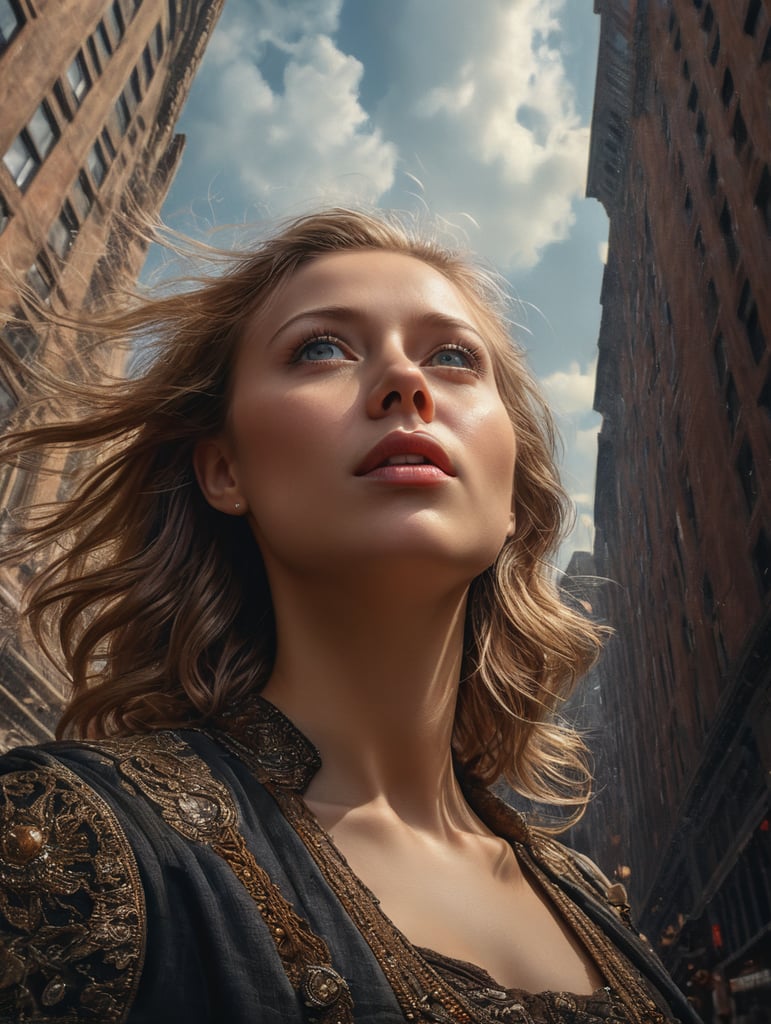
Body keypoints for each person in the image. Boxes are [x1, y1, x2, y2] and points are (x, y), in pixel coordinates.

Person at [0, 209, 699, 1024]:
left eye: (452, 357)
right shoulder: (68, 841)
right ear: (225, 470)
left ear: (513, 496)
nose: (408, 384)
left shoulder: (594, 904)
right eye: (321, 348)